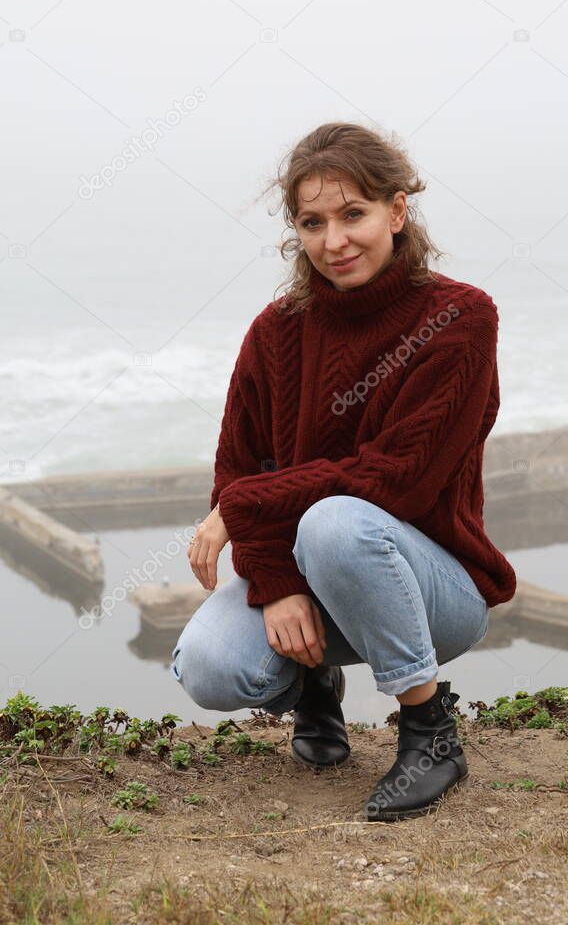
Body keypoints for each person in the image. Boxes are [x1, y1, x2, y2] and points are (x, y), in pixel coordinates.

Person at [169, 121, 517, 821]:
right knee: (211, 667)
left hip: (436, 592)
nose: (334, 241)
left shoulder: (459, 318)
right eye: (313, 221)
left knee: (337, 521)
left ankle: (428, 732)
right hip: (318, 569)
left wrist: (243, 502)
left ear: (396, 211)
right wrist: (274, 584)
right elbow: (240, 465)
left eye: (353, 214)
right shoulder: (276, 331)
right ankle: (313, 690)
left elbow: (394, 481)